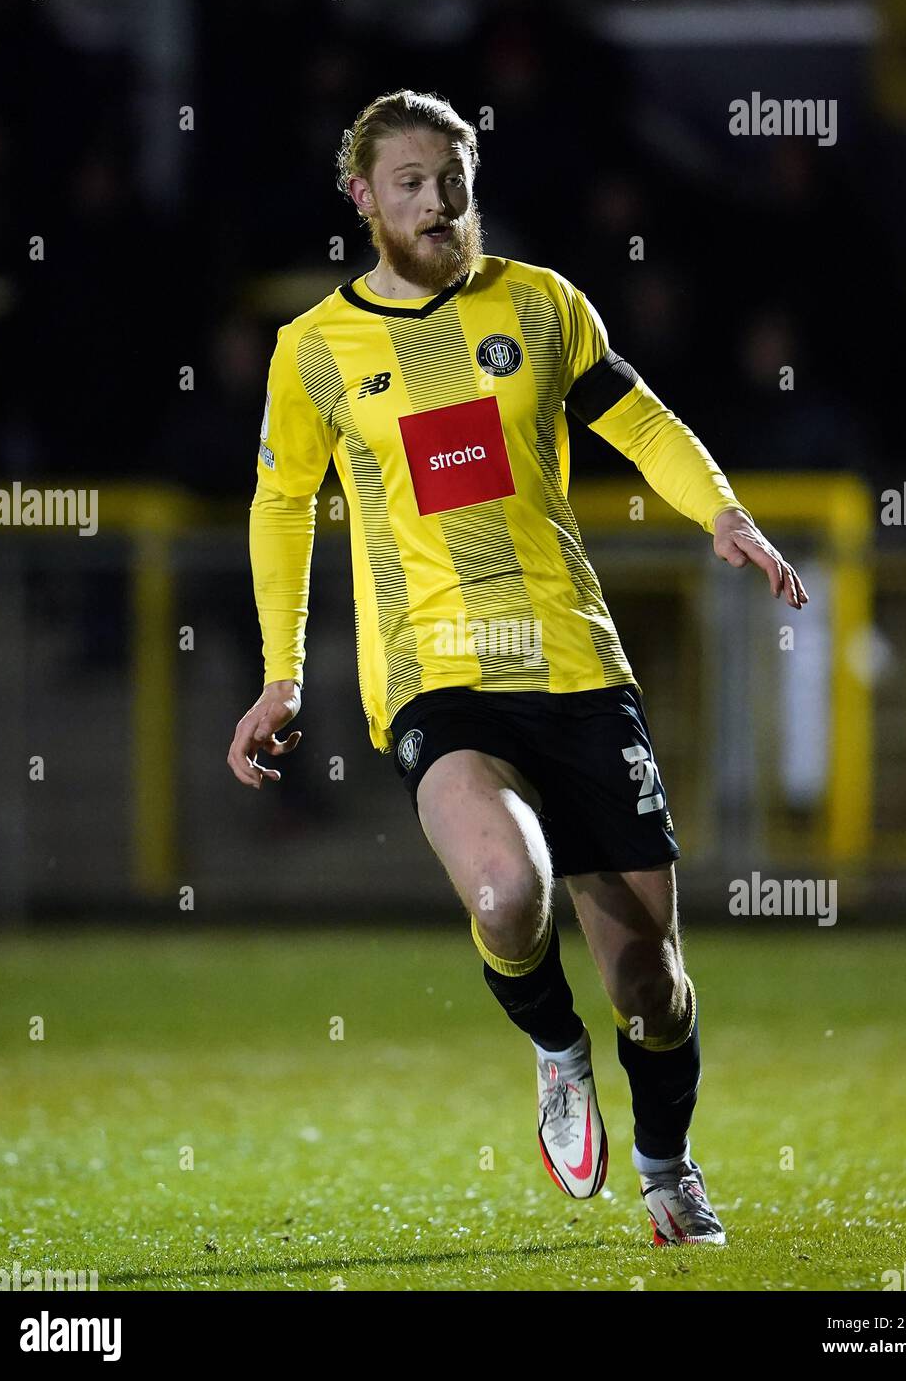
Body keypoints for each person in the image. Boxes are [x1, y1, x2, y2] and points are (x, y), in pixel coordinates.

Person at [228, 89, 808, 1247]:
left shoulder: (538, 303)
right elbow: (283, 504)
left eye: (452, 180)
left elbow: (635, 421)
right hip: (432, 673)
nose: (436, 204)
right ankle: (554, 1051)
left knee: (650, 982)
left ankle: (664, 1162)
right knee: (505, 890)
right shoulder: (314, 351)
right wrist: (282, 674)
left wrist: (723, 513)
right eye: (409, 183)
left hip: (574, 660)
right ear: (361, 196)